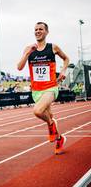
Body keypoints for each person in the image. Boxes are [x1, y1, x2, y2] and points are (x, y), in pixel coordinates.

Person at [17, 22, 69, 155]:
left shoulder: (53, 47)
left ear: (46, 32)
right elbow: (19, 67)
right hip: (36, 90)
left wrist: (63, 71)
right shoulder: (29, 49)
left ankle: (51, 125)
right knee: (49, 115)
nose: (38, 31)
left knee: (38, 111)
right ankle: (59, 139)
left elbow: (66, 58)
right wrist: (27, 53)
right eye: (35, 29)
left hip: (51, 88)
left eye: (41, 29)